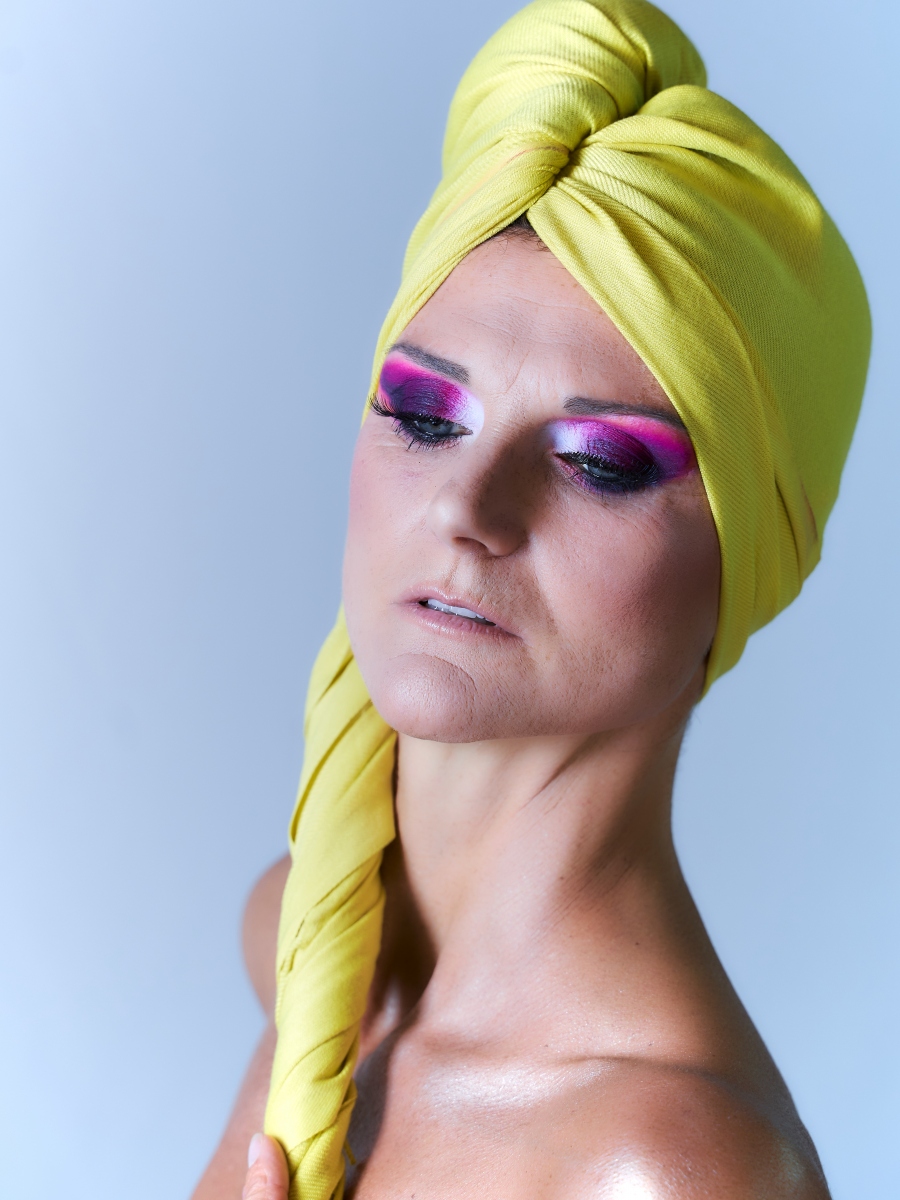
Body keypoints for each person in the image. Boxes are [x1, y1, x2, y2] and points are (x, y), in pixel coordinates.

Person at [191, 2, 870, 1197]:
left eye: (599, 463)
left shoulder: (672, 1168)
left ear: (751, 559)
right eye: (422, 413)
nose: (468, 508)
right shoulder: (299, 944)